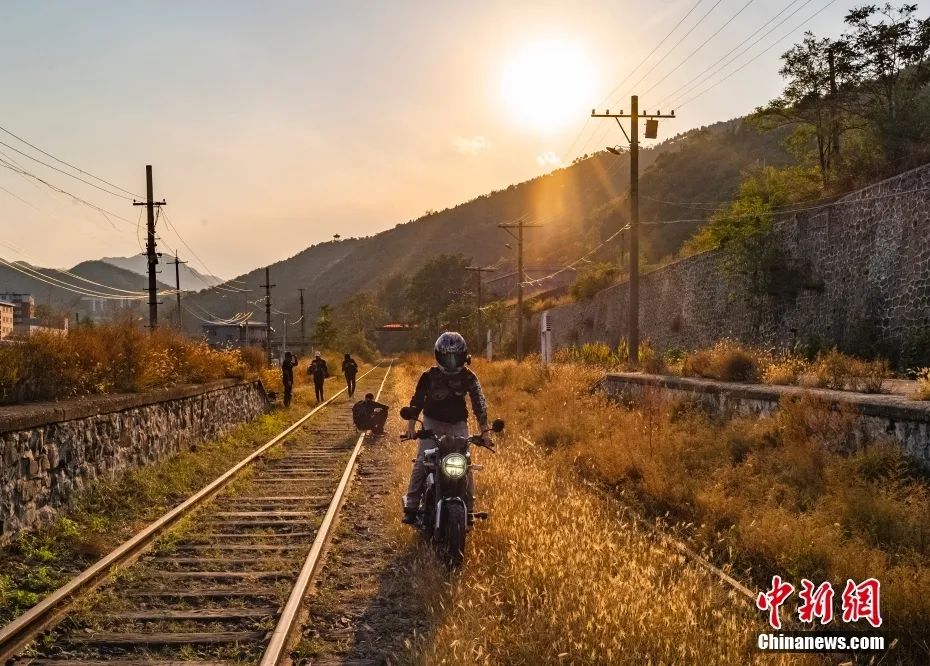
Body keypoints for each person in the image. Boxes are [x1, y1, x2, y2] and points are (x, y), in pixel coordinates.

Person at [402, 331, 491, 525]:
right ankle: (411, 504)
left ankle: (469, 510)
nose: (451, 362)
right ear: (438, 356)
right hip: (432, 423)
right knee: (423, 461)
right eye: (446, 357)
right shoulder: (428, 376)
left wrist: (485, 431)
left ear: (463, 356)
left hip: (458, 425)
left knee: (465, 465)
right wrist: (411, 426)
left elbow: (479, 403)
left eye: (455, 357)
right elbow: (417, 401)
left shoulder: (469, 377)